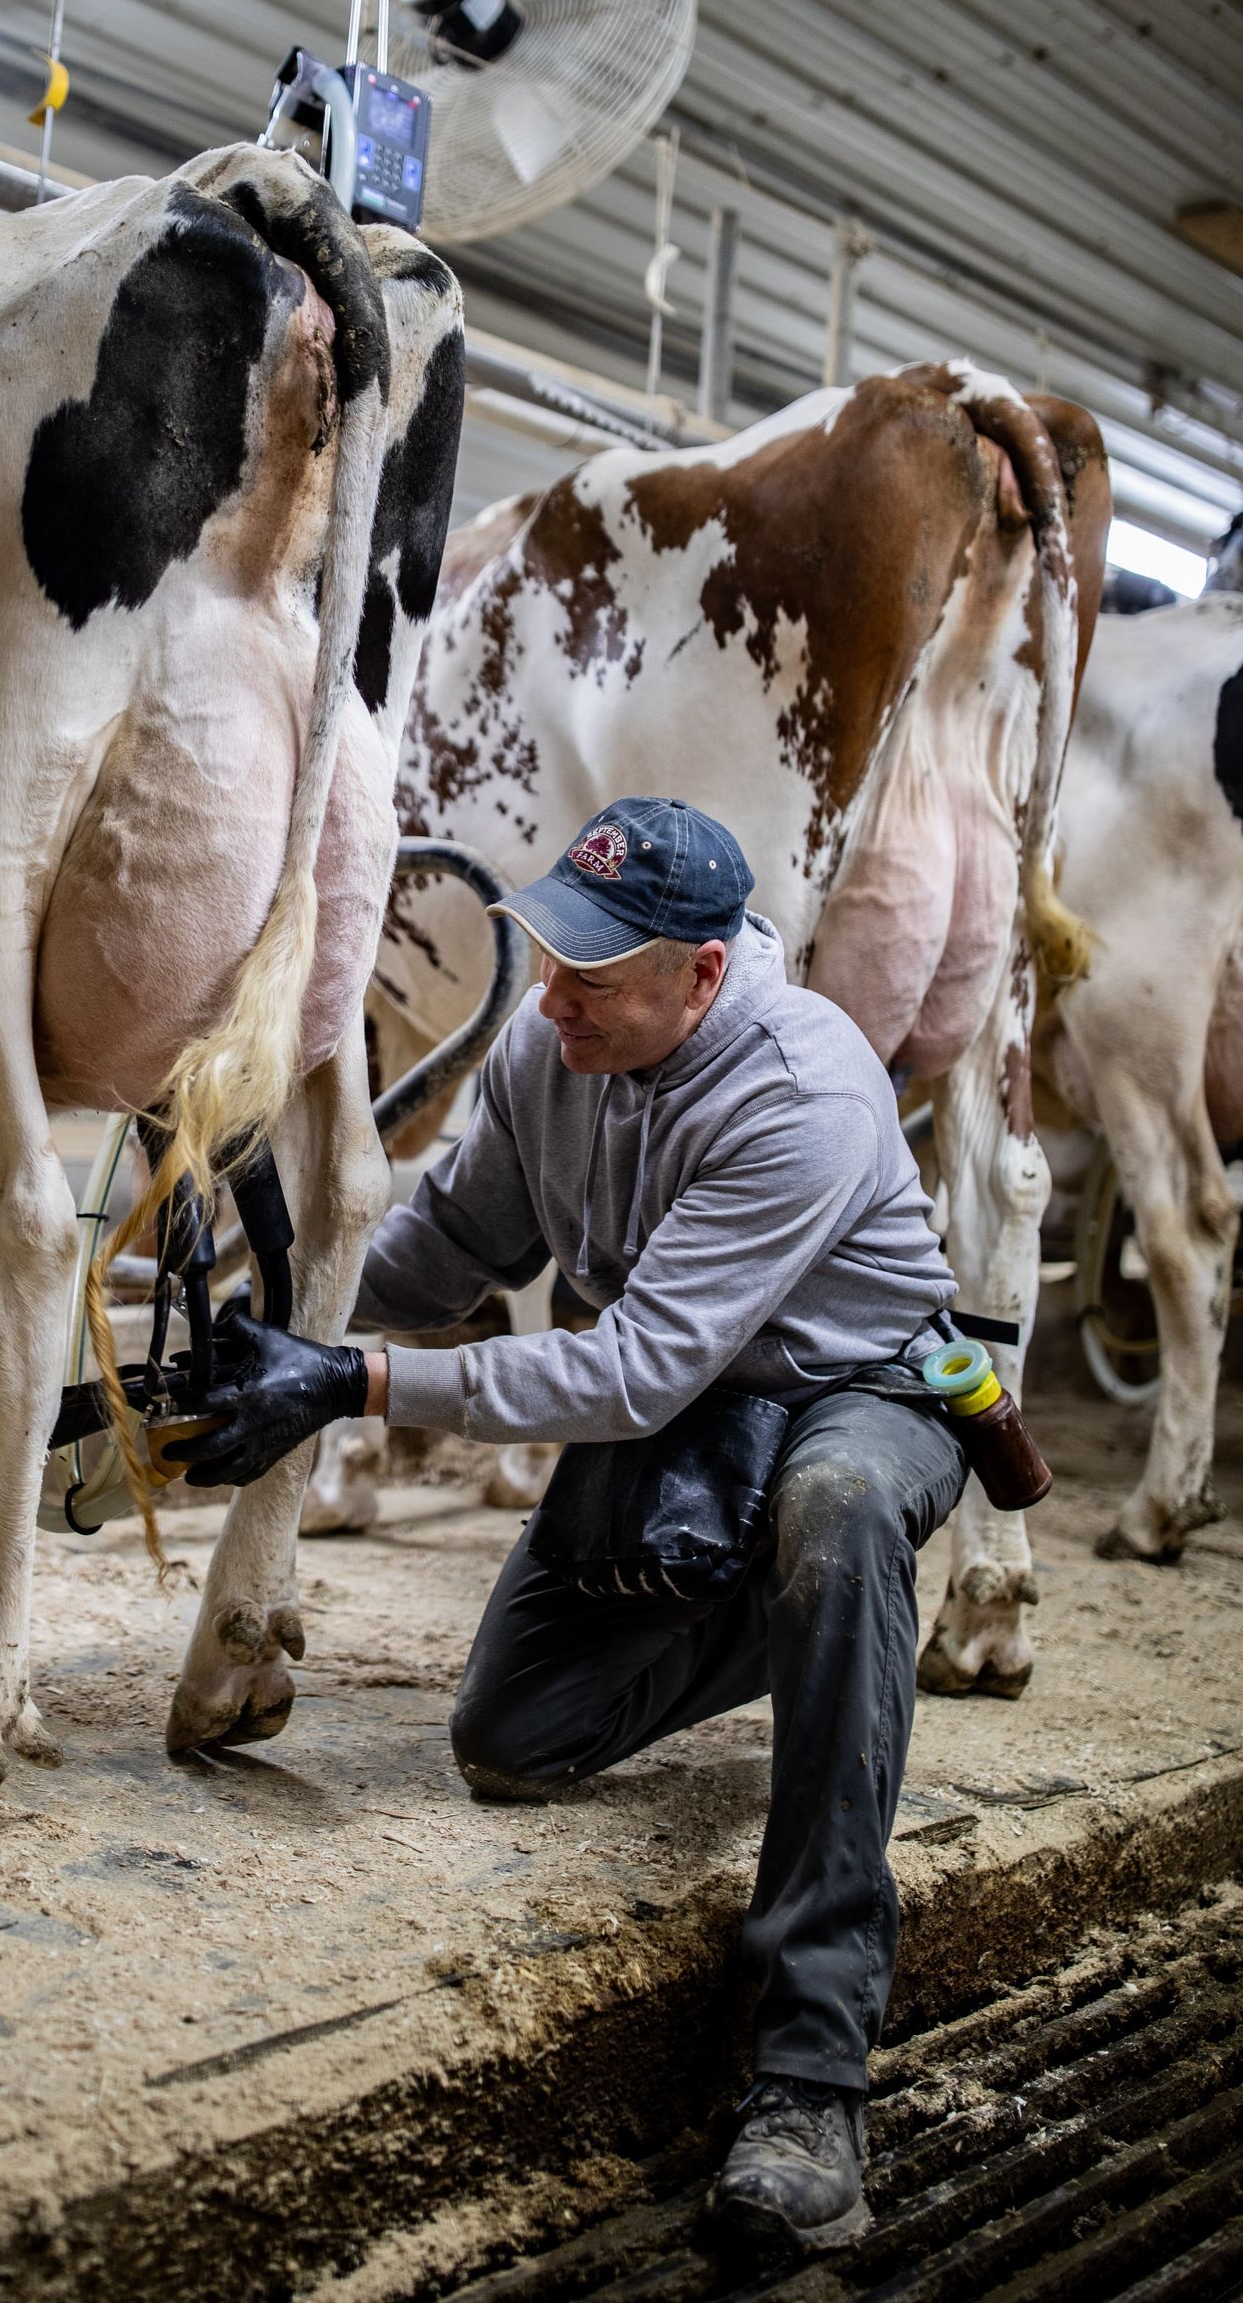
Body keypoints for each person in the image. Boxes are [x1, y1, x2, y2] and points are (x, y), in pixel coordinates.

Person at [172, 796, 970, 2255]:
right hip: (699, 1415)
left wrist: (347, 1382)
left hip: (860, 1394)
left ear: (704, 980)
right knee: (512, 1736)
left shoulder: (805, 1093)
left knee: (841, 1513)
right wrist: (268, 1321)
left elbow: (626, 1369)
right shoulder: (557, 1046)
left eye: (595, 973)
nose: (550, 995)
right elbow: (445, 1246)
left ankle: (811, 2073)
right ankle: (820, 1622)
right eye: (550, 955)